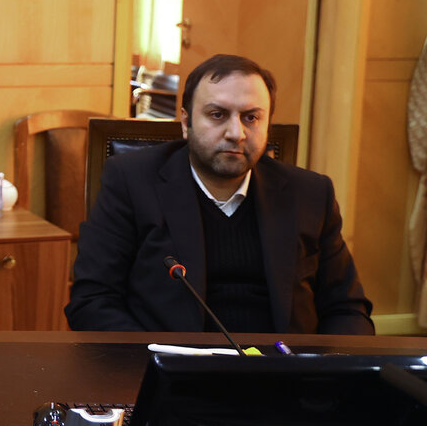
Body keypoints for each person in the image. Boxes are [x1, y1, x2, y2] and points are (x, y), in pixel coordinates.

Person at [65, 54, 373, 334]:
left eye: (251, 117)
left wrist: (328, 370)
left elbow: (347, 309)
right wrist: (154, 362)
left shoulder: (310, 194)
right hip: (171, 369)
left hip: (283, 370)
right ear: (185, 122)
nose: (236, 133)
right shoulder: (131, 182)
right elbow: (92, 300)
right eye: (217, 114)